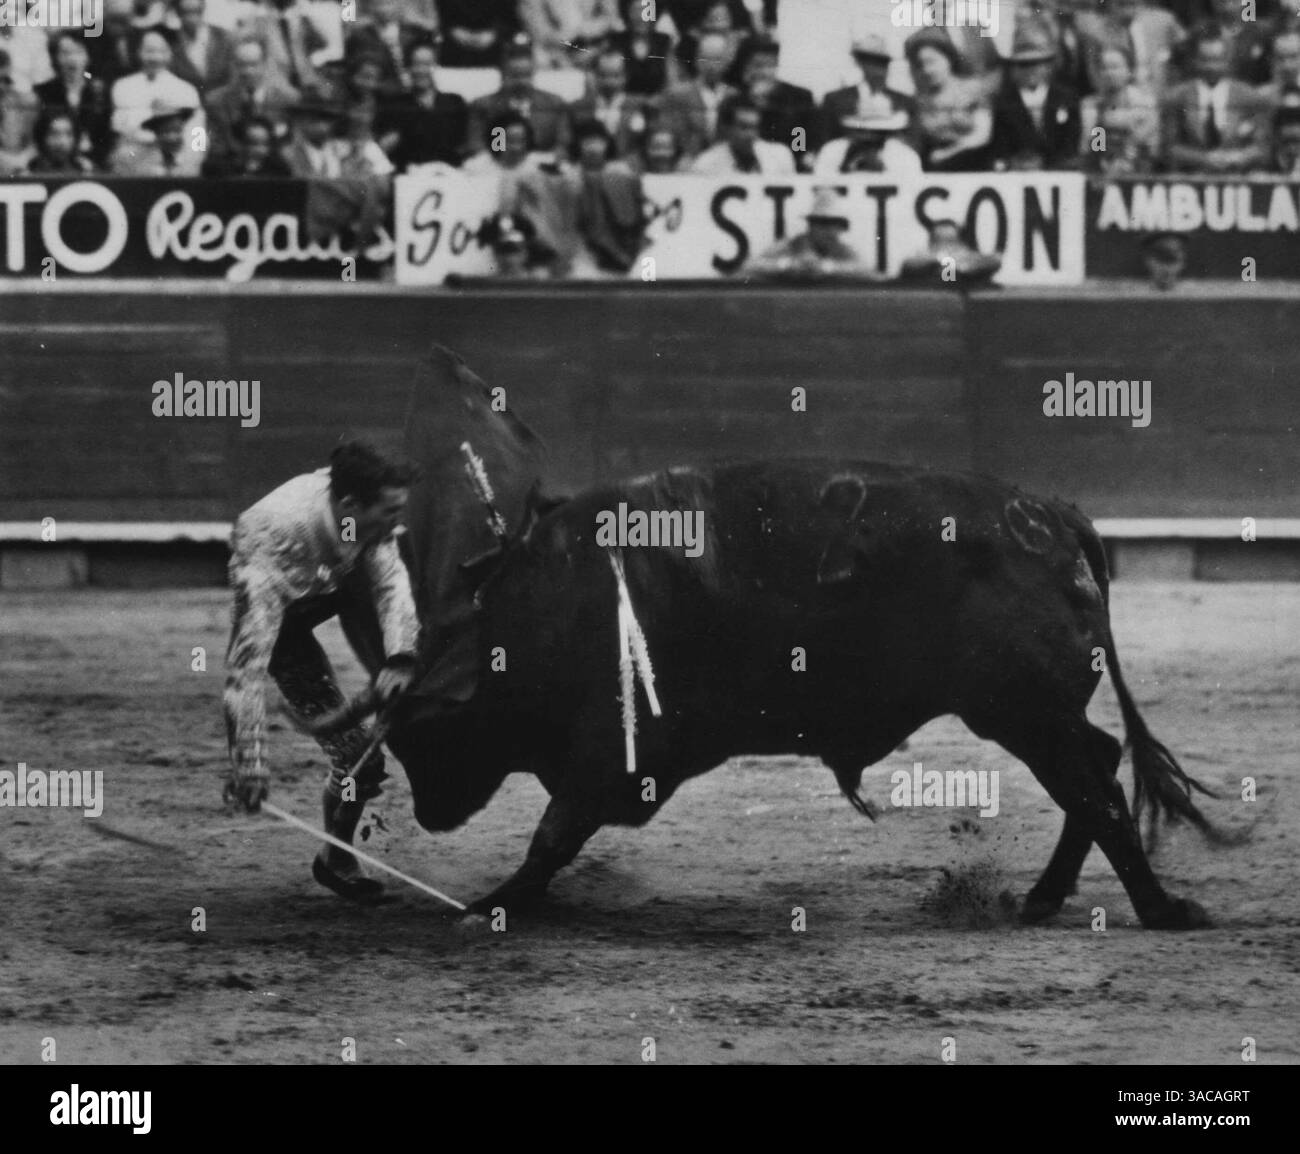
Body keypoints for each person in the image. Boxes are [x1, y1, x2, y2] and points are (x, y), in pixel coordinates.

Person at [224, 441, 421, 903]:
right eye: (390, 510)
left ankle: (335, 856)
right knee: (361, 761)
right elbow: (246, 668)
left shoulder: (365, 521)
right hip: (287, 626)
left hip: (338, 583)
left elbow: (392, 584)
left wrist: (400, 658)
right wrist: (248, 762)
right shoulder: (270, 537)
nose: (397, 521)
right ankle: (336, 859)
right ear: (351, 504)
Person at [1161, 27, 1270, 172]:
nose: (1211, 67)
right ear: (1194, 60)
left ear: (1229, 60)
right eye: (1205, 60)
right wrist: (1204, 159)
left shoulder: (1250, 97)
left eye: (1217, 60)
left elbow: (1262, 147)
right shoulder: (1176, 97)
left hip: (1238, 178)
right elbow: (1168, 148)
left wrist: (1238, 157)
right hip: (1191, 179)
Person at [990, 25, 1082, 170]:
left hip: (1061, 173)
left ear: (1048, 66)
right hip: (1020, 174)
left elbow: (1072, 141)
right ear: (1013, 69)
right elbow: (1000, 147)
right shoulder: (1003, 102)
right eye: (1023, 65)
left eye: (1037, 63)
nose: (1030, 70)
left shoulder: (1067, 97)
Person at [466, 35, 571, 156]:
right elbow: (475, 145)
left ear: (533, 74)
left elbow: (563, 144)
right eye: (514, 76)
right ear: (502, 76)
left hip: (542, 166)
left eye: (525, 76)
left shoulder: (555, 104)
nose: (520, 82)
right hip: (496, 167)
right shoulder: (483, 106)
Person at [906, 27, 993, 171]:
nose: (927, 70)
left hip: (975, 165)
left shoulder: (973, 90)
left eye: (932, 62)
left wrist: (949, 153)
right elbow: (915, 143)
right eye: (921, 64)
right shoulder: (920, 100)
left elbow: (982, 135)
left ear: (948, 59)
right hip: (935, 170)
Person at [749, 188, 881, 281]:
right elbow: (752, 266)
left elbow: (865, 270)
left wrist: (826, 268)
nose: (829, 230)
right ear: (811, 226)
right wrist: (789, 265)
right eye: (823, 223)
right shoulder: (792, 245)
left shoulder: (842, 249)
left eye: (834, 224)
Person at [205, 37, 298, 167]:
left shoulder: (288, 99)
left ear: (265, 63)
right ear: (233, 65)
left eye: (253, 64)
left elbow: (292, 143)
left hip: (276, 171)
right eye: (241, 64)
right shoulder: (216, 100)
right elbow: (211, 144)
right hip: (230, 171)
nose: (247, 71)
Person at [376, 38, 468, 170]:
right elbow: (385, 147)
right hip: (411, 174)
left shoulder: (454, 102)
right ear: (408, 67)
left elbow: (465, 144)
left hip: (449, 173)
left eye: (426, 64)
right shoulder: (394, 105)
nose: (420, 70)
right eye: (415, 64)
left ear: (436, 66)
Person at [109, 28, 204, 150]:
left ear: (170, 53)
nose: (155, 58)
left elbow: (196, 136)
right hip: (133, 156)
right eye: (149, 51)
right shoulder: (122, 87)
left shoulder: (186, 90)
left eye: (162, 51)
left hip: (176, 157)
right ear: (139, 52)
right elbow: (120, 127)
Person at [737, 35, 817, 169]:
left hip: (791, 166)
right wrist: (754, 102)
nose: (763, 72)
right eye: (757, 65)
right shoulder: (737, 99)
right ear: (747, 68)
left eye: (769, 65)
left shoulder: (799, 97)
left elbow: (801, 138)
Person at [35, 33, 114, 169]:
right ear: (55, 58)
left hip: (94, 161)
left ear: (87, 57)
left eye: (78, 52)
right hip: (52, 161)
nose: (72, 59)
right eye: (65, 53)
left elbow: (105, 136)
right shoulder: (43, 91)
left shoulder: (101, 91)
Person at [657, 29, 738, 158]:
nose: (711, 65)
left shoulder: (734, 96)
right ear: (696, 60)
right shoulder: (677, 94)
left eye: (717, 59)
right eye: (706, 58)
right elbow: (669, 132)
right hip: (686, 161)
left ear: (727, 62)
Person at [1079, 44, 1159, 173]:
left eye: (1115, 67)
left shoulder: (1146, 103)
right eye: (1104, 68)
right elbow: (1089, 147)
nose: (1109, 73)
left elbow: (1151, 148)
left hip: (1138, 170)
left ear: (1129, 70)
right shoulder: (1090, 105)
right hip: (1101, 170)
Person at [567, 47, 652, 160]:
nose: (609, 82)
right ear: (595, 76)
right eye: (603, 75)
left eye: (615, 75)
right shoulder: (577, 107)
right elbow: (565, 144)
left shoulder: (641, 105)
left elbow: (647, 145)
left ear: (626, 76)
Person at [344, 0, 429, 100]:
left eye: (388, 3)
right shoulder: (360, 35)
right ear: (371, 7)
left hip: (413, 88)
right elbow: (347, 18)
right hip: (381, 92)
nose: (384, 9)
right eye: (379, 4)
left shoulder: (413, 33)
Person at [689, 93, 795, 173]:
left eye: (754, 127)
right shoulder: (705, 165)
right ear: (727, 129)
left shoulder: (780, 156)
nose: (751, 135)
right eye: (744, 127)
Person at [813, 103, 923, 175]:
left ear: (888, 133)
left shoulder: (904, 156)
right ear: (853, 130)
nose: (868, 137)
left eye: (877, 132)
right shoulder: (833, 150)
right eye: (862, 131)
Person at [520, 0, 622, 69]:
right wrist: (567, 37)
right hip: (552, 51)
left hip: (593, 49)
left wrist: (586, 30)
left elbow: (612, 19)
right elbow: (538, 29)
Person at [113, 98, 203, 173]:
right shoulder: (142, 159)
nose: (172, 137)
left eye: (177, 130)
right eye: (166, 131)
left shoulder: (193, 158)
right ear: (156, 133)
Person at [167, 0, 236, 96]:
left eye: (197, 11)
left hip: (222, 103)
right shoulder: (171, 43)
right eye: (186, 12)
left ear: (203, 10)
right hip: (187, 103)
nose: (192, 18)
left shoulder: (223, 37)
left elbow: (234, 76)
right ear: (177, 13)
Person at [611, 0, 676, 96]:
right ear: (627, 13)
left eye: (646, 11)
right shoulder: (616, 41)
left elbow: (672, 80)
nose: (641, 16)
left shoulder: (664, 41)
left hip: (657, 103)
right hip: (625, 103)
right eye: (636, 10)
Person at [434, 0, 519, 69]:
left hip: (493, 56)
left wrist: (495, 34)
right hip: (452, 55)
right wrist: (451, 29)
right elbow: (435, 13)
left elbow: (512, 19)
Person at [202, 111, 294, 174]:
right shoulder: (219, 170)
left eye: (265, 144)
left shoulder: (278, 170)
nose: (260, 150)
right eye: (253, 144)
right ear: (238, 143)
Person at [283, 88, 345, 176]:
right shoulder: (288, 154)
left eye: (326, 118)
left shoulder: (342, 151)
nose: (321, 124)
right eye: (313, 118)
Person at [26, 108, 97, 174]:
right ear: (41, 138)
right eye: (54, 134)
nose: (62, 142)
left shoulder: (85, 171)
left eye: (69, 134)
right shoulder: (28, 171)